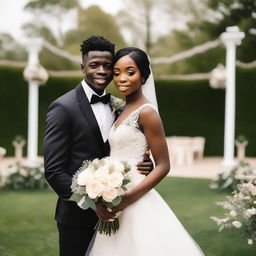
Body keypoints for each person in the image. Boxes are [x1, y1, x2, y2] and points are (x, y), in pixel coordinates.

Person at [88, 47, 205, 256]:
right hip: (113, 193)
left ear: (143, 75)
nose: (122, 78)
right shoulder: (120, 110)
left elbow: (164, 165)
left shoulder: (147, 113)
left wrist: (128, 198)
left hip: (135, 196)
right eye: (116, 73)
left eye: (130, 72)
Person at [44, 36, 152, 256]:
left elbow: (122, 149)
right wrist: (93, 203)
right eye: (94, 65)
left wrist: (143, 162)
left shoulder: (120, 106)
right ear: (83, 66)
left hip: (120, 213)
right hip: (76, 217)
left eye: (108, 65)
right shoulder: (63, 108)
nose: (102, 70)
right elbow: (54, 171)